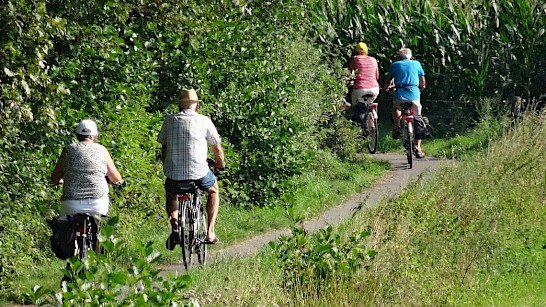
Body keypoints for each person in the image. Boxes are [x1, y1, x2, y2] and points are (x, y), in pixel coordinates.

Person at [157, 88, 225, 250]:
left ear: (180, 106)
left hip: (174, 173)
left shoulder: (169, 120)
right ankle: (210, 231)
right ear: (196, 106)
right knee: (214, 190)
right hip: (199, 173)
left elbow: (164, 147)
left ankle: (175, 227)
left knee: (171, 195)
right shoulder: (204, 120)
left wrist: (167, 164)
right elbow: (217, 148)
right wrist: (219, 164)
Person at [51, 119, 123, 216]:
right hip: (97, 203)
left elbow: (55, 178)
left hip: (71, 203)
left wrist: (62, 181)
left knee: (64, 227)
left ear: (77, 135)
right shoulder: (102, 150)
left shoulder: (68, 149)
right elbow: (116, 178)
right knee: (101, 225)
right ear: (95, 136)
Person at [383, 48, 427, 158]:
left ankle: (397, 127)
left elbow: (388, 82)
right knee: (417, 120)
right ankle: (418, 148)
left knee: (396, 108)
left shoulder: (395, 65)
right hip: (414, 98)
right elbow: (422, 81)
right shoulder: (417, 64)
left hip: (399, 98)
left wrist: (387, 88)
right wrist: (421, 87)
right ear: (410, 56)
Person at [348, 42, 380, 111]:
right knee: (369, 105)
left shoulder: (355, 59)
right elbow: (376, 76)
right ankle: (373, 116)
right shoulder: (373, 60)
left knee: (355, 107)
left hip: (360, 89)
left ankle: (356, 118)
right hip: (374, 89)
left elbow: (350, 74)